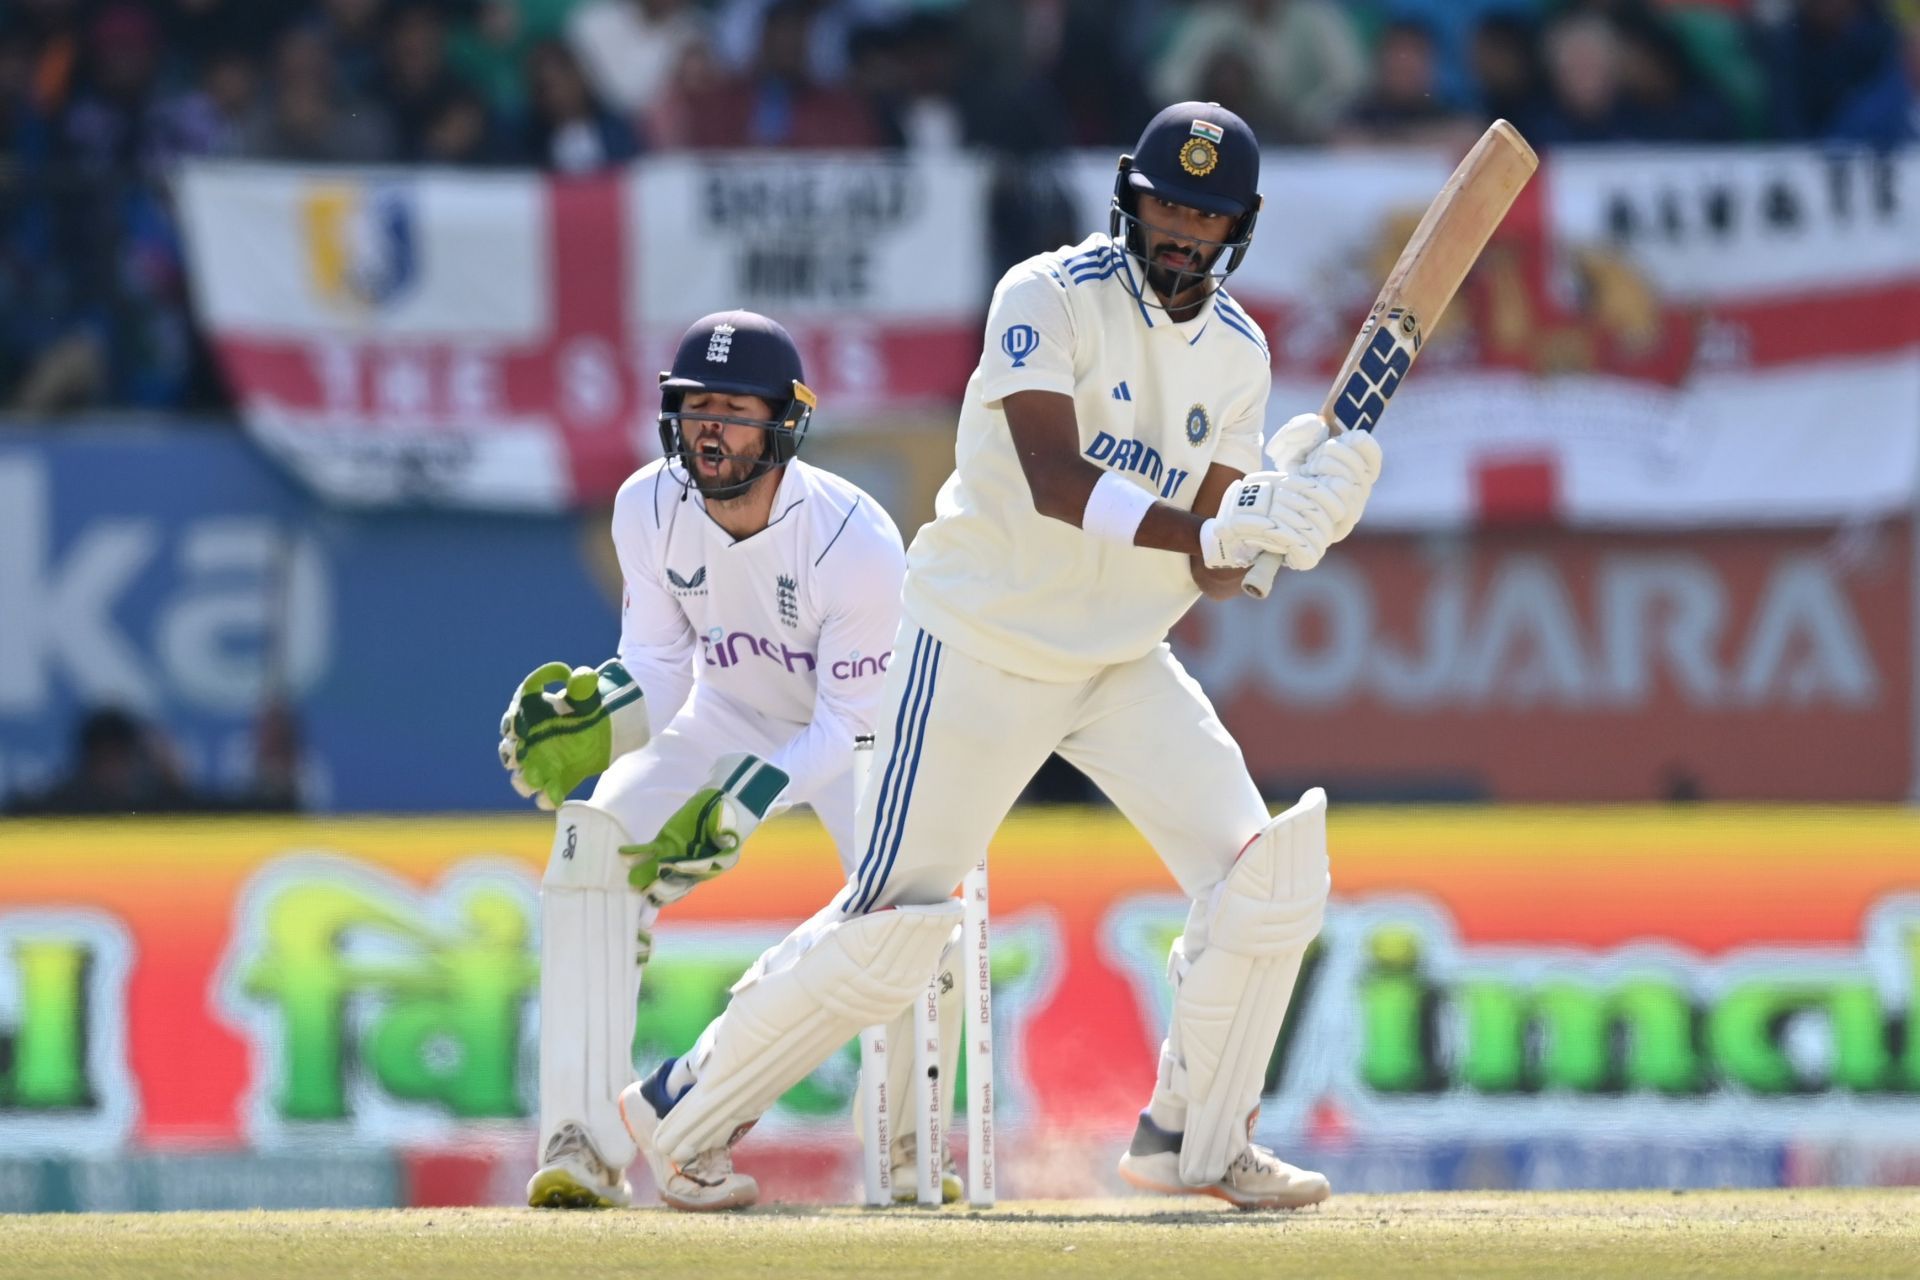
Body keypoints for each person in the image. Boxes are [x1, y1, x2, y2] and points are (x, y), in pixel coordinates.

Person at [614, 102, 1383, 1212]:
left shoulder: (1239, 357)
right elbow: (1051, 477)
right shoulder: (1045, 295)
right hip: (979, 641)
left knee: (1268, 876)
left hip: (1121, 660)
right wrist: (1215, 529)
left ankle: (1197, 1138)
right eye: (1167, 203)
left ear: (1238, 230)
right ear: (1129, 195)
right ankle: (680, 1110)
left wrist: (1286, 516)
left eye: (1204, 216)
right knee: (895, 924)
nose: (1180, 231)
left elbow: (1217, 555)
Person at [498, 310, 907, 1210]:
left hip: (865, 741)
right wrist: (598, 715)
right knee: (594, 840)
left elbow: (845, 723)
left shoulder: (857, 543)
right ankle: (583, 1144)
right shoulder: (647, 503)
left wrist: (740, 803)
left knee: (906, 919)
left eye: (734, 408)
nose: (709, 427)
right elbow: (657, 665)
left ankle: (908, 1152)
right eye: (693, 406)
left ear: (785, 423)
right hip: (725, 711)